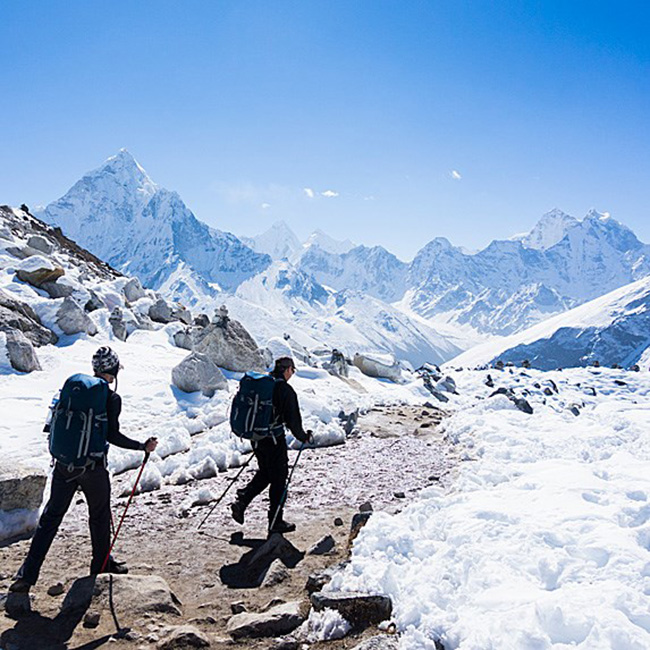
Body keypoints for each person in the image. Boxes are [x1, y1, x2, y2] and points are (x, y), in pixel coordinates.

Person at [10, 346, 158, 592]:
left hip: (63, 465)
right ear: (113, 371)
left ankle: (26, 576)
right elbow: (113, 435)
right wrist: (142, 446)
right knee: (99, 516)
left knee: (50, 519)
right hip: (93, 468)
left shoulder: (73, 390)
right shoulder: (110, 398)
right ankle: (100, 565)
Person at [231, 356, 311, 534]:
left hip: (257, 438)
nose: (292, 374)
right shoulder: (285, 390)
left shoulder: (264, 384)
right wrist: (303, 436)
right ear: (288, 369)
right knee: (279, 479)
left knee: (266, 473)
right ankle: (275, 521)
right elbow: (293, 420)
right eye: (293, 371)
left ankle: (242, 501)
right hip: (274, 440)